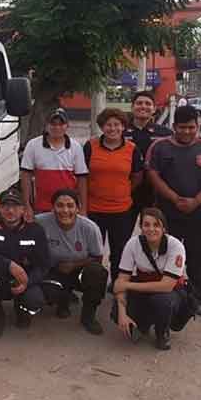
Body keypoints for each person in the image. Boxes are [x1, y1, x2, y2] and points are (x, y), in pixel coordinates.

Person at [147, 105, 201, 314]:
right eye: (182, 127)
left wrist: (196, 201)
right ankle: (163, 294)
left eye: (191, 127)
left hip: (199, 213)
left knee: (199, 257)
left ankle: (196, 298)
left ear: (197, 126)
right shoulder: (160, 147)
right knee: (164, 254)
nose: (187, 132)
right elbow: (153, 175)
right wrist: (174, 198)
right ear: (174, 127)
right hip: (167, 213)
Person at [0, 187, 50, 338]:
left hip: (25, 279)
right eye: (6, 206)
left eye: (15, 206)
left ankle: (22, 310)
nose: (10, 210)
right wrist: (8, 264)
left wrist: (27, 281)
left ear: (23, 209)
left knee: (35, 300)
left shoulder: (35, 230)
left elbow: (43, 264)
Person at [112, 207, 189, 350]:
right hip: (144, 285)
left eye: (156, 225)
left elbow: (166, 286)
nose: (151, 229)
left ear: (164, 228)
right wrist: (122, 314)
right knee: (116, 312)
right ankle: (143, 324)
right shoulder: (133, 244)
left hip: (171, 292)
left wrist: (128, 286)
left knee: (162, 301)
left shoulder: (176, 246)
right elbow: (120, 281)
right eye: (146, 225)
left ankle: (162, 332)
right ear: (140, 227)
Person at [84, 108, 144, 283]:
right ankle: (93, 285)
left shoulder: (132, 149)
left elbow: (137, 177)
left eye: (117, 125)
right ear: (102, 127)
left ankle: (117, 285)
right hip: (94, 209)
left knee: (120, 251)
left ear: (123, 127)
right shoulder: (90, 146)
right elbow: (82, 175)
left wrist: (122, 191)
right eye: (108, 125)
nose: (113, 128)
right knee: (94, 251)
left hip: (122, 210)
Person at [36, 189, 108, 335]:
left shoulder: (89, 228)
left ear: (78, 208)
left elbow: (98, 258)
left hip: (80, 270)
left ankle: (88, 317)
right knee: (48, 289)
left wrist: (74, 265)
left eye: (70, 205)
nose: (65, 210)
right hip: (54, 269)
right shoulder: (40, 222)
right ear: (52, 207)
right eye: (60, 205)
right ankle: (62, 303)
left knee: (97, 273)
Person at [21, 108, 89, 221]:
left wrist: (83, 208)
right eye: (53, 124)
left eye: (61, 124)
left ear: (67, 126)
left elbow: (82, 179)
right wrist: (26, 205)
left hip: (67, 208)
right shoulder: (33, 145)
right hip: (41, 207)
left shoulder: (75, 147)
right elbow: (25, 176)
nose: (57, 127)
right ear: (46, 125)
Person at [123, 91, 173, 225]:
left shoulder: (165, 134)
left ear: (154, 109)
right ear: (132, 107)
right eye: (139, 103)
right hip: (127, 192)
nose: (143, 106)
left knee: (153, 235)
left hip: (155, 194)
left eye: (148, 104)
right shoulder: (120, 132)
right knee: (122, 237)